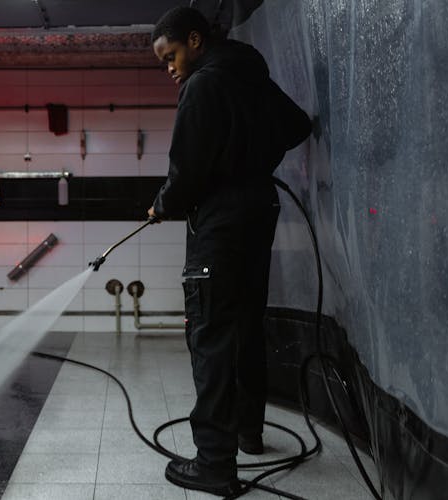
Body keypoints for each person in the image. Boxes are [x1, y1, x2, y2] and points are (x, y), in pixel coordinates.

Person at [147, 6, 310, 497]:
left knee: (211, 334)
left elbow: (186, 172)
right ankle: (249, 433)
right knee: (244, 325)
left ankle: (215, 464)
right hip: (258, 212)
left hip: (218, 226)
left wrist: (161, 205)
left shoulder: (202, 86)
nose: (170, 68)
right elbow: (297, 124)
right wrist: (251, 162)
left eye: (171, 55)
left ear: (195, 40)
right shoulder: (249, 74)